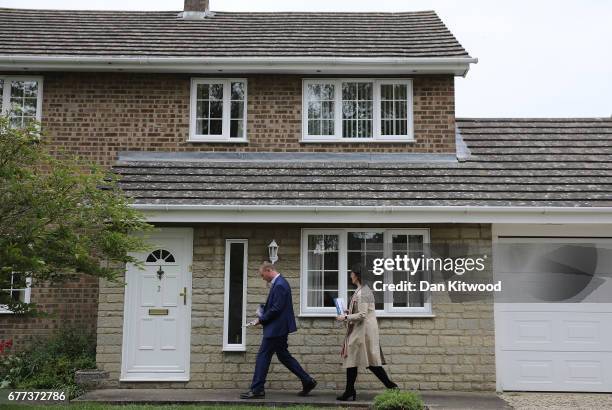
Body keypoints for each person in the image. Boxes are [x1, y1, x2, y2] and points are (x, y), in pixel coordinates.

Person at [240, 262, 317, 399]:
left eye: (262, 275)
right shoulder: (279, 283)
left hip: (276, 329)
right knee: (283, 356)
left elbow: (276, 309)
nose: (262, 278)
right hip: (278, 328)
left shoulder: (280, 284)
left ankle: (257, 389)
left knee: (263, 356)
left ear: (269, 270)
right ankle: (307, 380)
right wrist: (263, 310)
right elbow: (275, 306)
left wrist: (261, 319)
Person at [335, 265, 398, 401]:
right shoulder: (361, 290)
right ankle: (350, 390)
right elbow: (360, 311)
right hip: (360, 330)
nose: (350, 275)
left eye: (351, 273)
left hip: (364, 331)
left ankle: (391, 386)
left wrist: (345, 317)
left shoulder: (364, 292)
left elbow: (363, 314)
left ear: (357, 275)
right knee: (352, 358)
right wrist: (348, 312)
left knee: (371, 362)